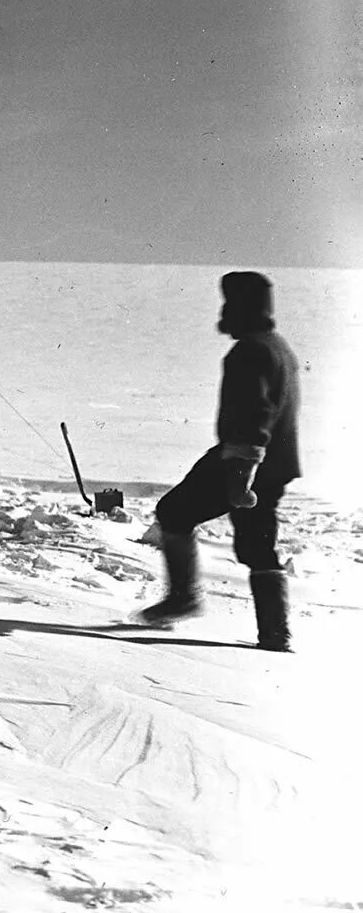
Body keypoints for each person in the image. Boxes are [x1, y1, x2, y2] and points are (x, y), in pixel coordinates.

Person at [140, 271, 301, 651]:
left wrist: (242, 470)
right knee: (259, 544)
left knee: (175, 512)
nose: (224, 311)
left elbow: (256, 413)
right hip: (275, 463)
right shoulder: (278, 347)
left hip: (244, 457)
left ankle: (184, 598)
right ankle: (276, 633)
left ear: (243, 308)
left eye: (229, 304)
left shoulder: (251, 352)